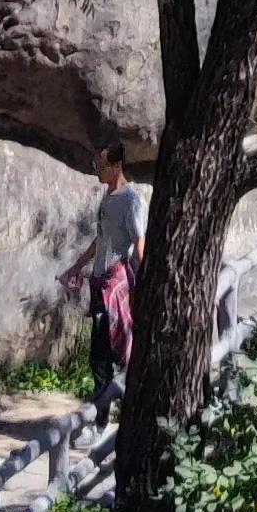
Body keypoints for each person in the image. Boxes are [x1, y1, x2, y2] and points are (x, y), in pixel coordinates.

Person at [86, 151, 145, 424]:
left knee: (116, 353)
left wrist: (144, 279)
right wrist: (77, 267)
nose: (97, 170)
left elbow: (139, 241)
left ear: (117, 166)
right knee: (99, 358)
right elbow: (100, 239)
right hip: (99, 281)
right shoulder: (107, 198)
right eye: (96, 165)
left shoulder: (131, 201)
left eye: (102, 166)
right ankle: (101, 418)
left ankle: (115, 418)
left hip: (116, 283)